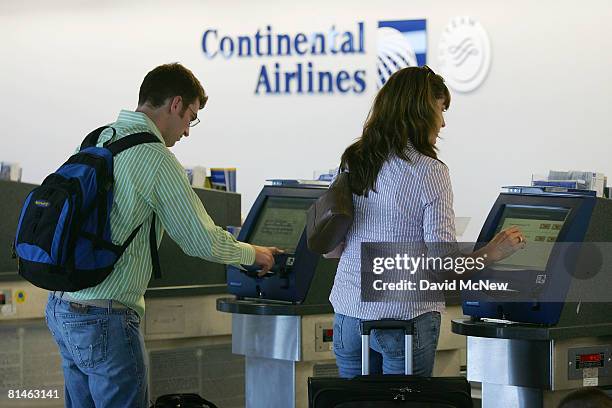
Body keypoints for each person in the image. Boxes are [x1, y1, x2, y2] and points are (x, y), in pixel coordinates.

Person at [44, 63, 281, 407]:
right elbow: (199, 239)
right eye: (191, 117)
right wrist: (255, 254)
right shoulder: (155, 158)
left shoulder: (100, 138)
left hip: (62, 306)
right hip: (106, 316)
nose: (187, 131)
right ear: (175, 104)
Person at [329, 66, 526, 378]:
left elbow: (333, 246)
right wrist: (493, 253)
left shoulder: (354, 159)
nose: (443, 121)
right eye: (440, 109)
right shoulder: (429, 171)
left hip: (348, 316)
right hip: (405, 317)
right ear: (421, 111)